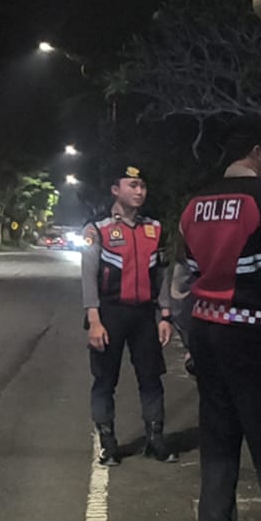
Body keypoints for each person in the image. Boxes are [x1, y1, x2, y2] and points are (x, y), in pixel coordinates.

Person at [170, 116, 261, 521]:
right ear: (257, 152)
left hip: (207, 334)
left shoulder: (194, 205)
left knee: (218, 440)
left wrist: (190, 339)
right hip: (255, 335)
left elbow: (181, 285)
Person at [83, 166, 177, 467]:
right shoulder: (97, 229)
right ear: (116, 190)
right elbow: (88, 277)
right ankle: (108, 445)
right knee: (104, 381)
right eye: (132, 185)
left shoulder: (155, 228)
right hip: (109, 314)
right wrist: (94, 320)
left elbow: (162, 274)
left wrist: (165, 315)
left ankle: (155, 440)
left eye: (143, 186)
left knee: (151, 378)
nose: (139, 191)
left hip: (143, 316)